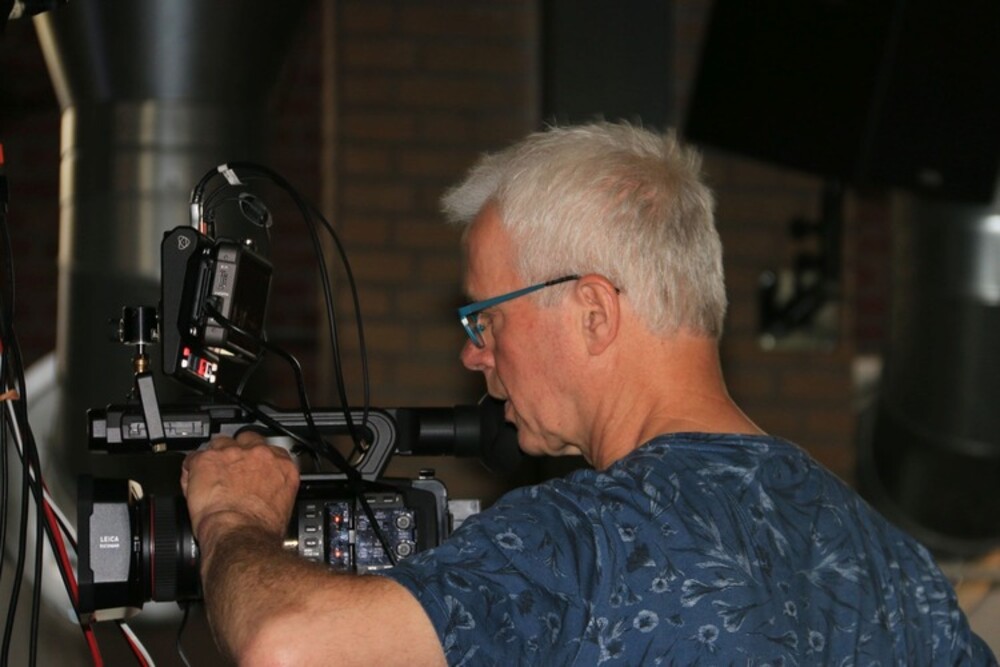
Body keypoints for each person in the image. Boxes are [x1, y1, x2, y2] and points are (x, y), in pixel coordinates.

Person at [181, 122, 996, 666]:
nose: (473, 353)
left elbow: (287, 644)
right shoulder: (891, 565)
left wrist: (233, 516)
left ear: (594, 312)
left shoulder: (584, 540)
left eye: (486, 316)